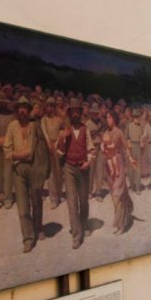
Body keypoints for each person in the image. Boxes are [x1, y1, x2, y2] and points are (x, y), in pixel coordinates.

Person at [4, 97, 50, 253]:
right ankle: (28, 238)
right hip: (19, 170)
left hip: (34, 168)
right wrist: (19, 155)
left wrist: (43, 169)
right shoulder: (12, 126)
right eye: (20, 108)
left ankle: (39, 227)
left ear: (28, 110)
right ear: (16, 110)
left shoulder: (34, 125)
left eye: (25, 108)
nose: (22, 110)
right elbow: (7, 150)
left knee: (36, 201)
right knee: (23, 208)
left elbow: (43, 147)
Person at [57, 99, 95, 249]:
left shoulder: (86, 130)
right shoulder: (65, 130)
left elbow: (91, 149)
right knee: (72, 202)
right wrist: (62, 138)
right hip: (69, 168)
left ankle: (84, 224)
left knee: (83, 200)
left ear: (80, 114)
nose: (74, 114)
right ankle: (77, 235)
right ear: (69, 114)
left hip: (83, 168)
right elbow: (59, 151)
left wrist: (89, 161)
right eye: (72, 111)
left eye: (77, 111)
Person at [101, 111, 136, 234]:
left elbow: (126, 147)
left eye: (109, 117)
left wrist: (131, 159)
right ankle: (121, 218)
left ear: (114, 119)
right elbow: (103, 149)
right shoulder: (106, 133)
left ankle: (121, 225)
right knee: (113, 194)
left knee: (118, 193)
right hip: (109, 165)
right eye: (107, 117)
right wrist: (102, 148)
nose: (108, 119)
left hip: (119, 164)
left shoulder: (119, 132)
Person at [40, 96, 64, 208]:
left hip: (57, 147)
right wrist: (49, 143)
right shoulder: (44, 119)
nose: (50, 108)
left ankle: (59, 194)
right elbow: (44, 131)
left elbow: (62, 131)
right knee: (50, 174)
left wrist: (57, 142)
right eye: (48, 106)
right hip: (47, 147)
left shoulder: (59, 119)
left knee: (58, 172)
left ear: (54, 107)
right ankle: (54, 198)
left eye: (52, 106)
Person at [124, 107, 144, 194]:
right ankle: (132, 186)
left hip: (138, 146)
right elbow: (126, 137)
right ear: (133, 117)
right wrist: (128, 144)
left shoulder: (141, 127)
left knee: (138, 168)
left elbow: (143, 138)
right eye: (135, 117)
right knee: (130, 168)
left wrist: (142, 144)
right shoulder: (129, 126)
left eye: (138, 117)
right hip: (131, 146)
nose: (136, 118)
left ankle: (138, 188)